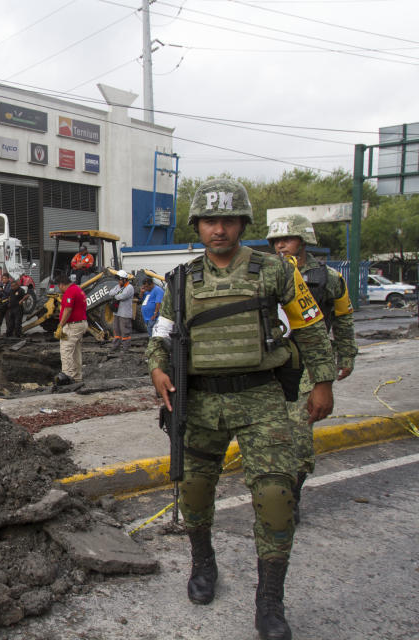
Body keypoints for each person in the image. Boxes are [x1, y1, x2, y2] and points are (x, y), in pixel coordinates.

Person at [146, 178, 336, 640]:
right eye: (211, 220)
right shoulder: (181, 279)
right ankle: (203, 564)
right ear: (198, 226)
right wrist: (156, 368)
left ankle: (270, 602)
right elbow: (161, 333)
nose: (219, 229)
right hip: (202, 400)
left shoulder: (275, 271)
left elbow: (310, 328)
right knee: (193, 490)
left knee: (275, 497)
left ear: (242, 224)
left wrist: (324, 384)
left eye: (229, 220)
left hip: (262, 398)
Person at [266, 214, 357, 524]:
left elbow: (343, 318)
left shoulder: (328, 278)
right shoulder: (266, 274)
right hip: (274, 362)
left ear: (303, 241)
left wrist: (345, 354)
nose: (280, 245)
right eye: (276, 241)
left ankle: (291, 497)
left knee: (299, 431)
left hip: (309, 361)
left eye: (287, 239)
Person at [54, 272, 88, 383]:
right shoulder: (78, 290)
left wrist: (61, 325)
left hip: (73, 325)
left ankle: (67, 377)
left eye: (59, 287)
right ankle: (77, 377)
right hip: (81, 323)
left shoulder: (70, 291)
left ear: (61, 284)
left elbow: (68, 310)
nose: (59, 290)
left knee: (66, 350)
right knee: (76, 352)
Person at [110, 270, 134, 350]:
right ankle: (116, 345)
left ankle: (125, 347)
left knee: (125, 330)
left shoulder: (129, 288)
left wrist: (115, 295)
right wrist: (116, 294)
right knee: (116, 330)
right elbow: (110, 293)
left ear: (124, 279)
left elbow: (122, 296)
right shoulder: (118, 286)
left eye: (120, 280)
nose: (119, 282)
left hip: (125, 313)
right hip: (117, 313)